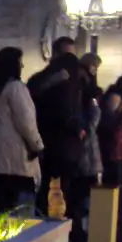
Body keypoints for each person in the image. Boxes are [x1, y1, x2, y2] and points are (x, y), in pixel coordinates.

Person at [0, 47, 44, 212]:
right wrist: (37, 145)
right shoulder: (15, 88)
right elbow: (26, 122)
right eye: (20, 62)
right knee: (15, 204)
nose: (22, 65)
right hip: (14, 154)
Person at [27, 38, 84, 215]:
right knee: (50, 187)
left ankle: (62, 224)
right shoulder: (47, 80)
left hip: (59, 141)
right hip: (54, 140)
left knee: (63, 187)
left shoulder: (75, 81)